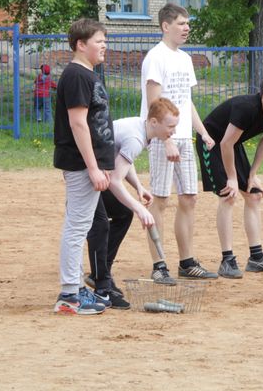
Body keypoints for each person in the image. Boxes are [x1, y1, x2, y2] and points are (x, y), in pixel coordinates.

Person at [141, 3, 217, 284]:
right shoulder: (155, 57)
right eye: (181, 23)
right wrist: (166, 139)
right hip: (164, 139)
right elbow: (154, 103)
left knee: (189, 198)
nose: (186, 28)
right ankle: (159, 264)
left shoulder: (184, 59)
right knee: (159, 200)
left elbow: (185, 101)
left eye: (187, 23)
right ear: (165, 26)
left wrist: (203, 132)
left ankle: (186, 262)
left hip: (183, 137)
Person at [84, 98, 178, 309]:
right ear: (154, 122)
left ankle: (101, 275)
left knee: (122, 214)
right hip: (87, 173)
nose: (173, 132)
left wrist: (138, 187)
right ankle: (102, 283)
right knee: (102, 224)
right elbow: (115, 181)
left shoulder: (140, 128)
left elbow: (122, 160)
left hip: (100, 171)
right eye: (170, 126)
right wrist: (139, 209)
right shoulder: (137, 137)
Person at [197, 72, 263, 279]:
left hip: (231, 143)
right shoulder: (247, 108)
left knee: (254, 194)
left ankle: (256, 257)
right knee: (228, 195)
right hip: (212, 142)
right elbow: (224, 143)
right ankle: (227, 259)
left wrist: (252, 174)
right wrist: (232, 178)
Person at [53, 18, 114, 316]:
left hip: (89, 163)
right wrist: (92, 167)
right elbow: (78, 123)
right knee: (77, 227)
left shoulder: (87, 74)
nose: (104, 46)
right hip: (79, 164)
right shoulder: (77, 75)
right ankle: (69, 295)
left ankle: (76, 288)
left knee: (80, 225)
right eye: (98, 41)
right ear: (81, 44)